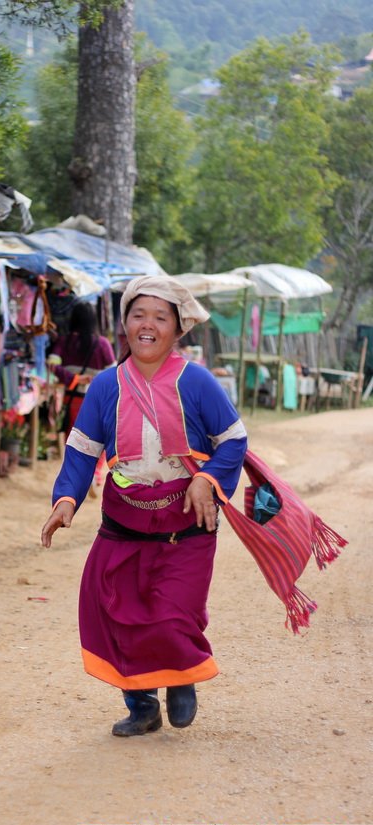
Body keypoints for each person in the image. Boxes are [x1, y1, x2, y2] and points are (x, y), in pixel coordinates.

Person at [40, 276, 248, 737]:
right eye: (138, 315)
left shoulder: (197, 381)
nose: (148, 324)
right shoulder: (105, 386)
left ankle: (180, 675)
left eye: (160, 316)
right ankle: (141, 705)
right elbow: (81, 448)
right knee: (116, 611)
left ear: (177, 328)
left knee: (173, 611)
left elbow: (233, 440)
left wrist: (207, 479)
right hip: (123, 520)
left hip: (187, 523)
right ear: (124, 326)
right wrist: (67, 498)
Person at [48, 301, 116, 486]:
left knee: (73, 438)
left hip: (72, 400)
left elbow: (52, 365)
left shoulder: (64, 342)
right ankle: (95, 473)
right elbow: (113, 373)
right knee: (101, 437)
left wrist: (74, 378)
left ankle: (77, 476)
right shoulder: (102, 344)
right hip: (99, 400)